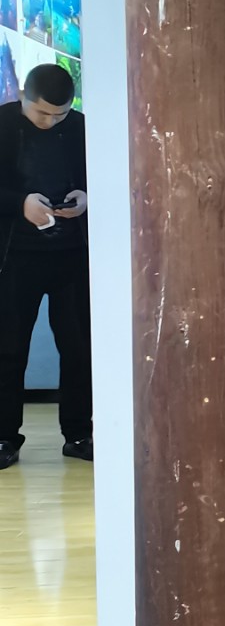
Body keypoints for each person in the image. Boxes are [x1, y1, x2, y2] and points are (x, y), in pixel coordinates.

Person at [0, 63, 90, 467]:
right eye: (42, 113)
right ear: (23, 96)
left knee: (79, 348)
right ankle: (4, 438)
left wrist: (86, 198)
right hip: (14, 257)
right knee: (8, 348)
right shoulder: (3, 125)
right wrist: (21, 204)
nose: (51, 121)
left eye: (60, 114)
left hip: (72, 255)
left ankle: (79, 434)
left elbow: (106, 177)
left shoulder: (82, 127)